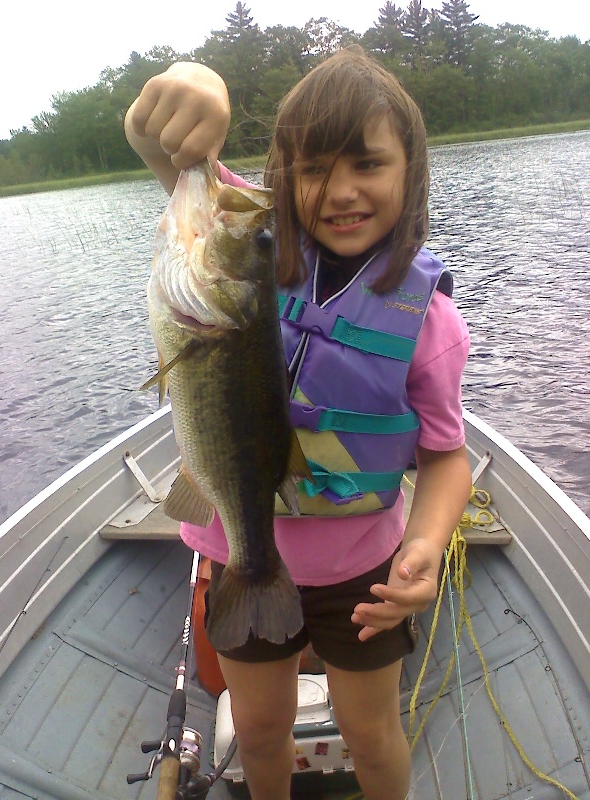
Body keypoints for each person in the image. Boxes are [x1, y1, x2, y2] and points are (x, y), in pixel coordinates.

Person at [126, 46, 471, 800]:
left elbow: (447, 458)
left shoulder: (429, 321)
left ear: (410, 173)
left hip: (363, 572)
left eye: (368, 165)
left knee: (373, 735)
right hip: (242, 547)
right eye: (314, 168)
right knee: (256, 730)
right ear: (282, 176)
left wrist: (425, 545)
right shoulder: (245, 248)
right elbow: (165, 146)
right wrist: (197, 88)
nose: (342, 190)